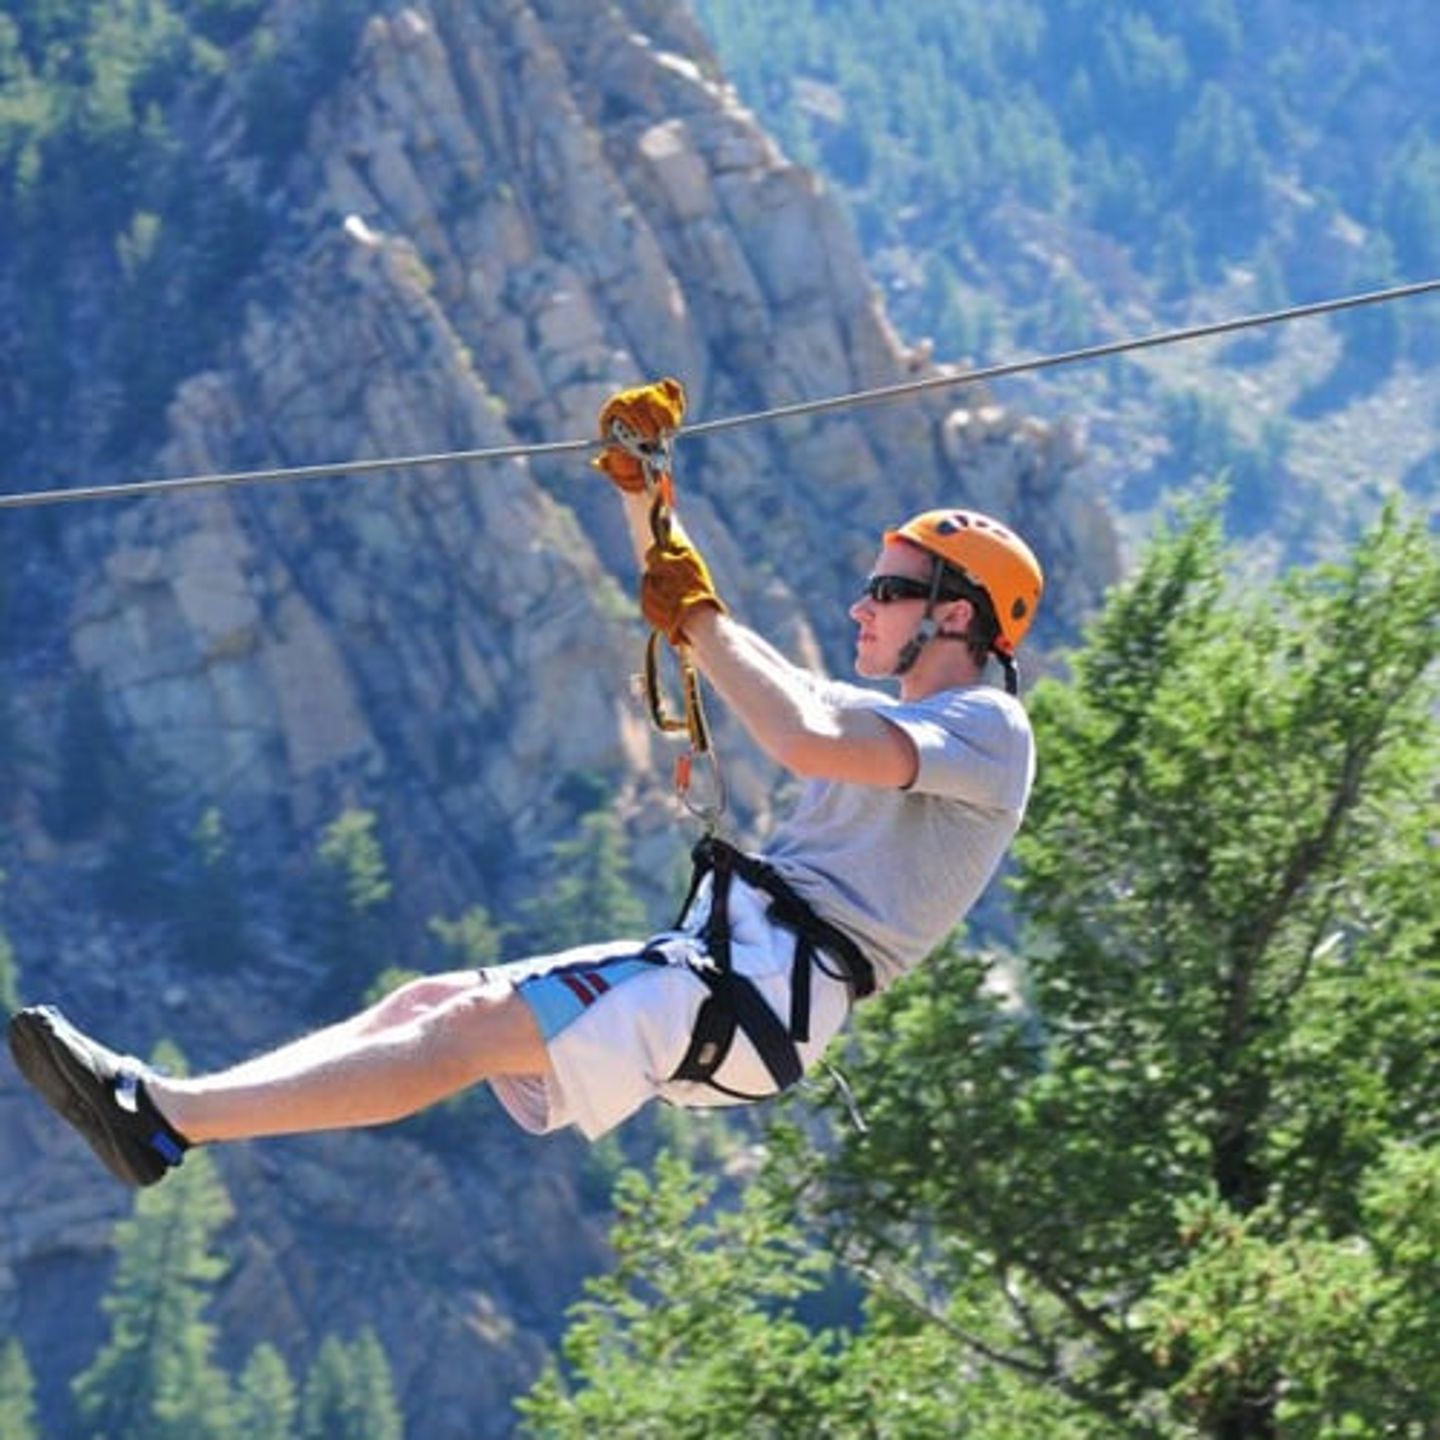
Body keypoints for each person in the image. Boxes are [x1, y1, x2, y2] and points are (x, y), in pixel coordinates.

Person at [7, 379, 1043, 1188]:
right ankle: (165, 1113)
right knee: (436, 1002)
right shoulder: (900, 720)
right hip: (733, 972)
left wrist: (695, 610)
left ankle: (162, 1113)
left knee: (460, 1034)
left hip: (760, 987)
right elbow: (755, 669)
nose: (862, 608)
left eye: (888, 590)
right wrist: (647, 498)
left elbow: (798, 730)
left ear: (957, 614)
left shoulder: (989, 732)